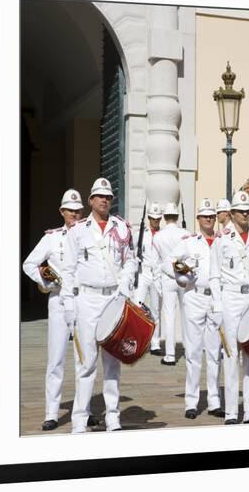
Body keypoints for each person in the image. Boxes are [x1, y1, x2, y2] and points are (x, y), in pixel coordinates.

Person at [61, 178, 137, 433]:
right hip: (87, 300)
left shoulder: (122, 228)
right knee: (86, 362)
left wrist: (126, 287)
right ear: (91, 200)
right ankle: (80, 420)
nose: (105, 200)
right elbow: (68, 271)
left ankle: (113, 417)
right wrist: (68, 305)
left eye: (109, 196)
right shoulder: (78, 230)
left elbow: (131, 262)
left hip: (113, 299)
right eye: (100, 196)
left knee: (113, 362)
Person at [22, 189, 98, 431]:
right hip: (59, 302)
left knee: (83, 359)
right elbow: (29, 264)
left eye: (78, 211)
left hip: (83, 302)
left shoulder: (90, 235)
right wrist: (47, 282)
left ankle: (83, 411)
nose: (75, 215)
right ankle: (51, 412)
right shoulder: (52, 239)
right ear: (62, 212)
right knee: (55, 359)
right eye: (70, 211)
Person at [210, 190, 249, 424]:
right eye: (240, 212)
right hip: (230, 299)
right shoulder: (222, 239)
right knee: (231, 354)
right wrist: (217, 306)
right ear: (232, 214)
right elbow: (214, 275)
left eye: (248, 211)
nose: (245, 215)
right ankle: (231, 413)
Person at [162, 198, 224, 419]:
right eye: (204, 215)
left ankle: (215, 400)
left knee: (215, 352)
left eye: (212, 216)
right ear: (198, 219)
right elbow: (168, 261)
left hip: (216, 299)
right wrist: (181, 277)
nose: (208, 219)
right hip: (194, 297)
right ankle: (191, 402)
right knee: (193, 351)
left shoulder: (221, 241)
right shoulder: (190, 242)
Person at [154, 202, 191, 366]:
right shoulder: (186, 233)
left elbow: (156, 263)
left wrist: (157, 283)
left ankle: (170, 355)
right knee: (186, 315)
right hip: (182, 275)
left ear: (164, 217)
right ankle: (189, 349)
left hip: (167, 278)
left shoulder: (158, 236)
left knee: (169, 316)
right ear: (177, 217)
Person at [133, 202, 163, 355]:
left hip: (157, 274)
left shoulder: (163, 236)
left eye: (158, 218)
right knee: (137, 306)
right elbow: (132, 252)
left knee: (156, 310)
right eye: (153, 218)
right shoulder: (140, 234)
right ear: (149, 218)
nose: (155, 221)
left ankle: (155, 343)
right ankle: (137, 341)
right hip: (143, 272)